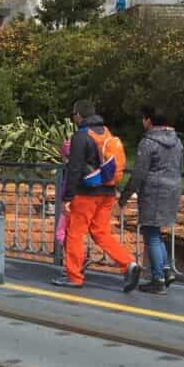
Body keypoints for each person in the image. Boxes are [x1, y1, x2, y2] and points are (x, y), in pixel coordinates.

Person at [51, 100, 141, 291]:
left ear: (78, 115)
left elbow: (74, 168)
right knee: (101, 232)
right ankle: (128, 264)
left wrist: (67, 197)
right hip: (107, 192)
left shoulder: (80, 137)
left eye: (73, 114)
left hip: (86, 194)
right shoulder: (106, 133)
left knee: (74, 233)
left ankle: (74, 277)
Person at [119, 105, 183, 294]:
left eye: (143, 119)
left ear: (148, 120)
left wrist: (124, 196)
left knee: (150, 234)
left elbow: (139, 173)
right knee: (157, 232)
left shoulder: (148, 143)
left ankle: (158, 280)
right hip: (172, 189)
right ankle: (166, 270)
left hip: (153, 191)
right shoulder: (177, 141)